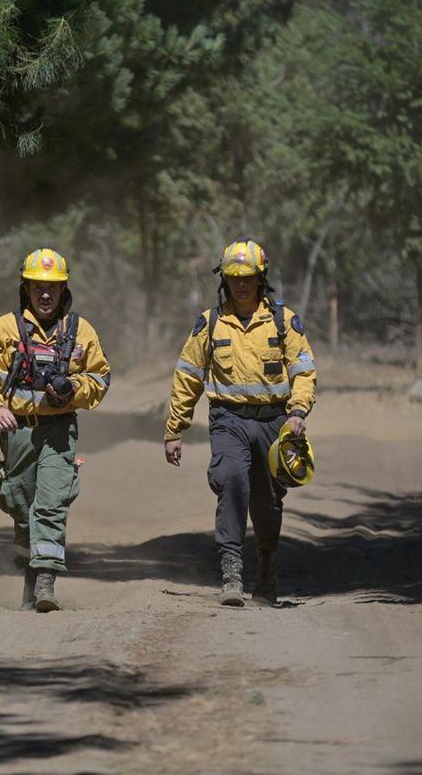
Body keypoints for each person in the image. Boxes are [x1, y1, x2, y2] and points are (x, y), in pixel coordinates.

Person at [163, 237, 317, 607]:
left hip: (273, 422)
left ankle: (266, 564)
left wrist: (297, 412)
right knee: (231, 478)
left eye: (247, 277)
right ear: (224, 281)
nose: (241, 284)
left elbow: (304, 371)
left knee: (267, 500)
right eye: (234, 278)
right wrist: (174, 429)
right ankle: (231, 571)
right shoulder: (210, 323)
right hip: (228, 418)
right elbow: (187, 376)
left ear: (261, 278)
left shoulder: (283, 321)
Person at [0, 248, 110, 612]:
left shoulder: (81, 331)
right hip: (17, 430)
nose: (45, 295)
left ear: (64, 289)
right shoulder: (6, 328)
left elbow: (100, 377)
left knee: (50, 503)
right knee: (20, 505)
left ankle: (46, 581)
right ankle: (29, 572)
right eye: (37, 288)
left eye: (52, 288)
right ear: (26, 289)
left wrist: (73, 390)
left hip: (59, 430)